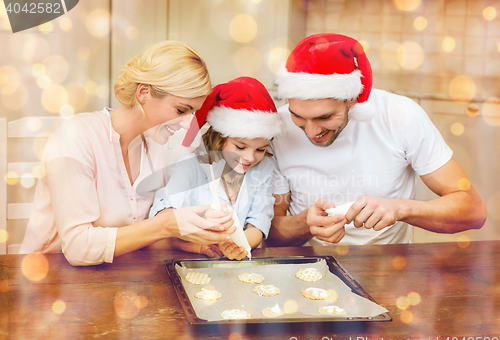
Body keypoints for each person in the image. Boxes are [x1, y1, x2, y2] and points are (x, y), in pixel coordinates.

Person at [19, 41, 235, 266]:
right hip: (51, 279)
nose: (186, 124)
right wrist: (165, 224)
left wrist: (192, 237)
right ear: (143, 92)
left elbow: (139, 235)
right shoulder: (76, 137)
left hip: (118, 276)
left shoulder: (154, 144)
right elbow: (77, 248)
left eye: (192, 112)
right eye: (181, 110)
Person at [267, 33, 487, 247]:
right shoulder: (278, 127)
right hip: (310, 269)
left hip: (387, 267)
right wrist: (304, 223)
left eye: (324, 117)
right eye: (298, 116)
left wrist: (400, 209)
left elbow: (473, 211)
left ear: (352, 99)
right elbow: (269, 233)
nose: (312, 131)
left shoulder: (400, 115)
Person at [149, 77, 282, 260]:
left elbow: (258, 223)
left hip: (235, 260)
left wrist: (237, 245)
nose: (250, 157)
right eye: (240, 147)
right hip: (188, 261)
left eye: (261, 149)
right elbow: (164, 213)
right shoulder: (190, 166)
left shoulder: (263, 168)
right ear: (219, 138)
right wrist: (202, 241)